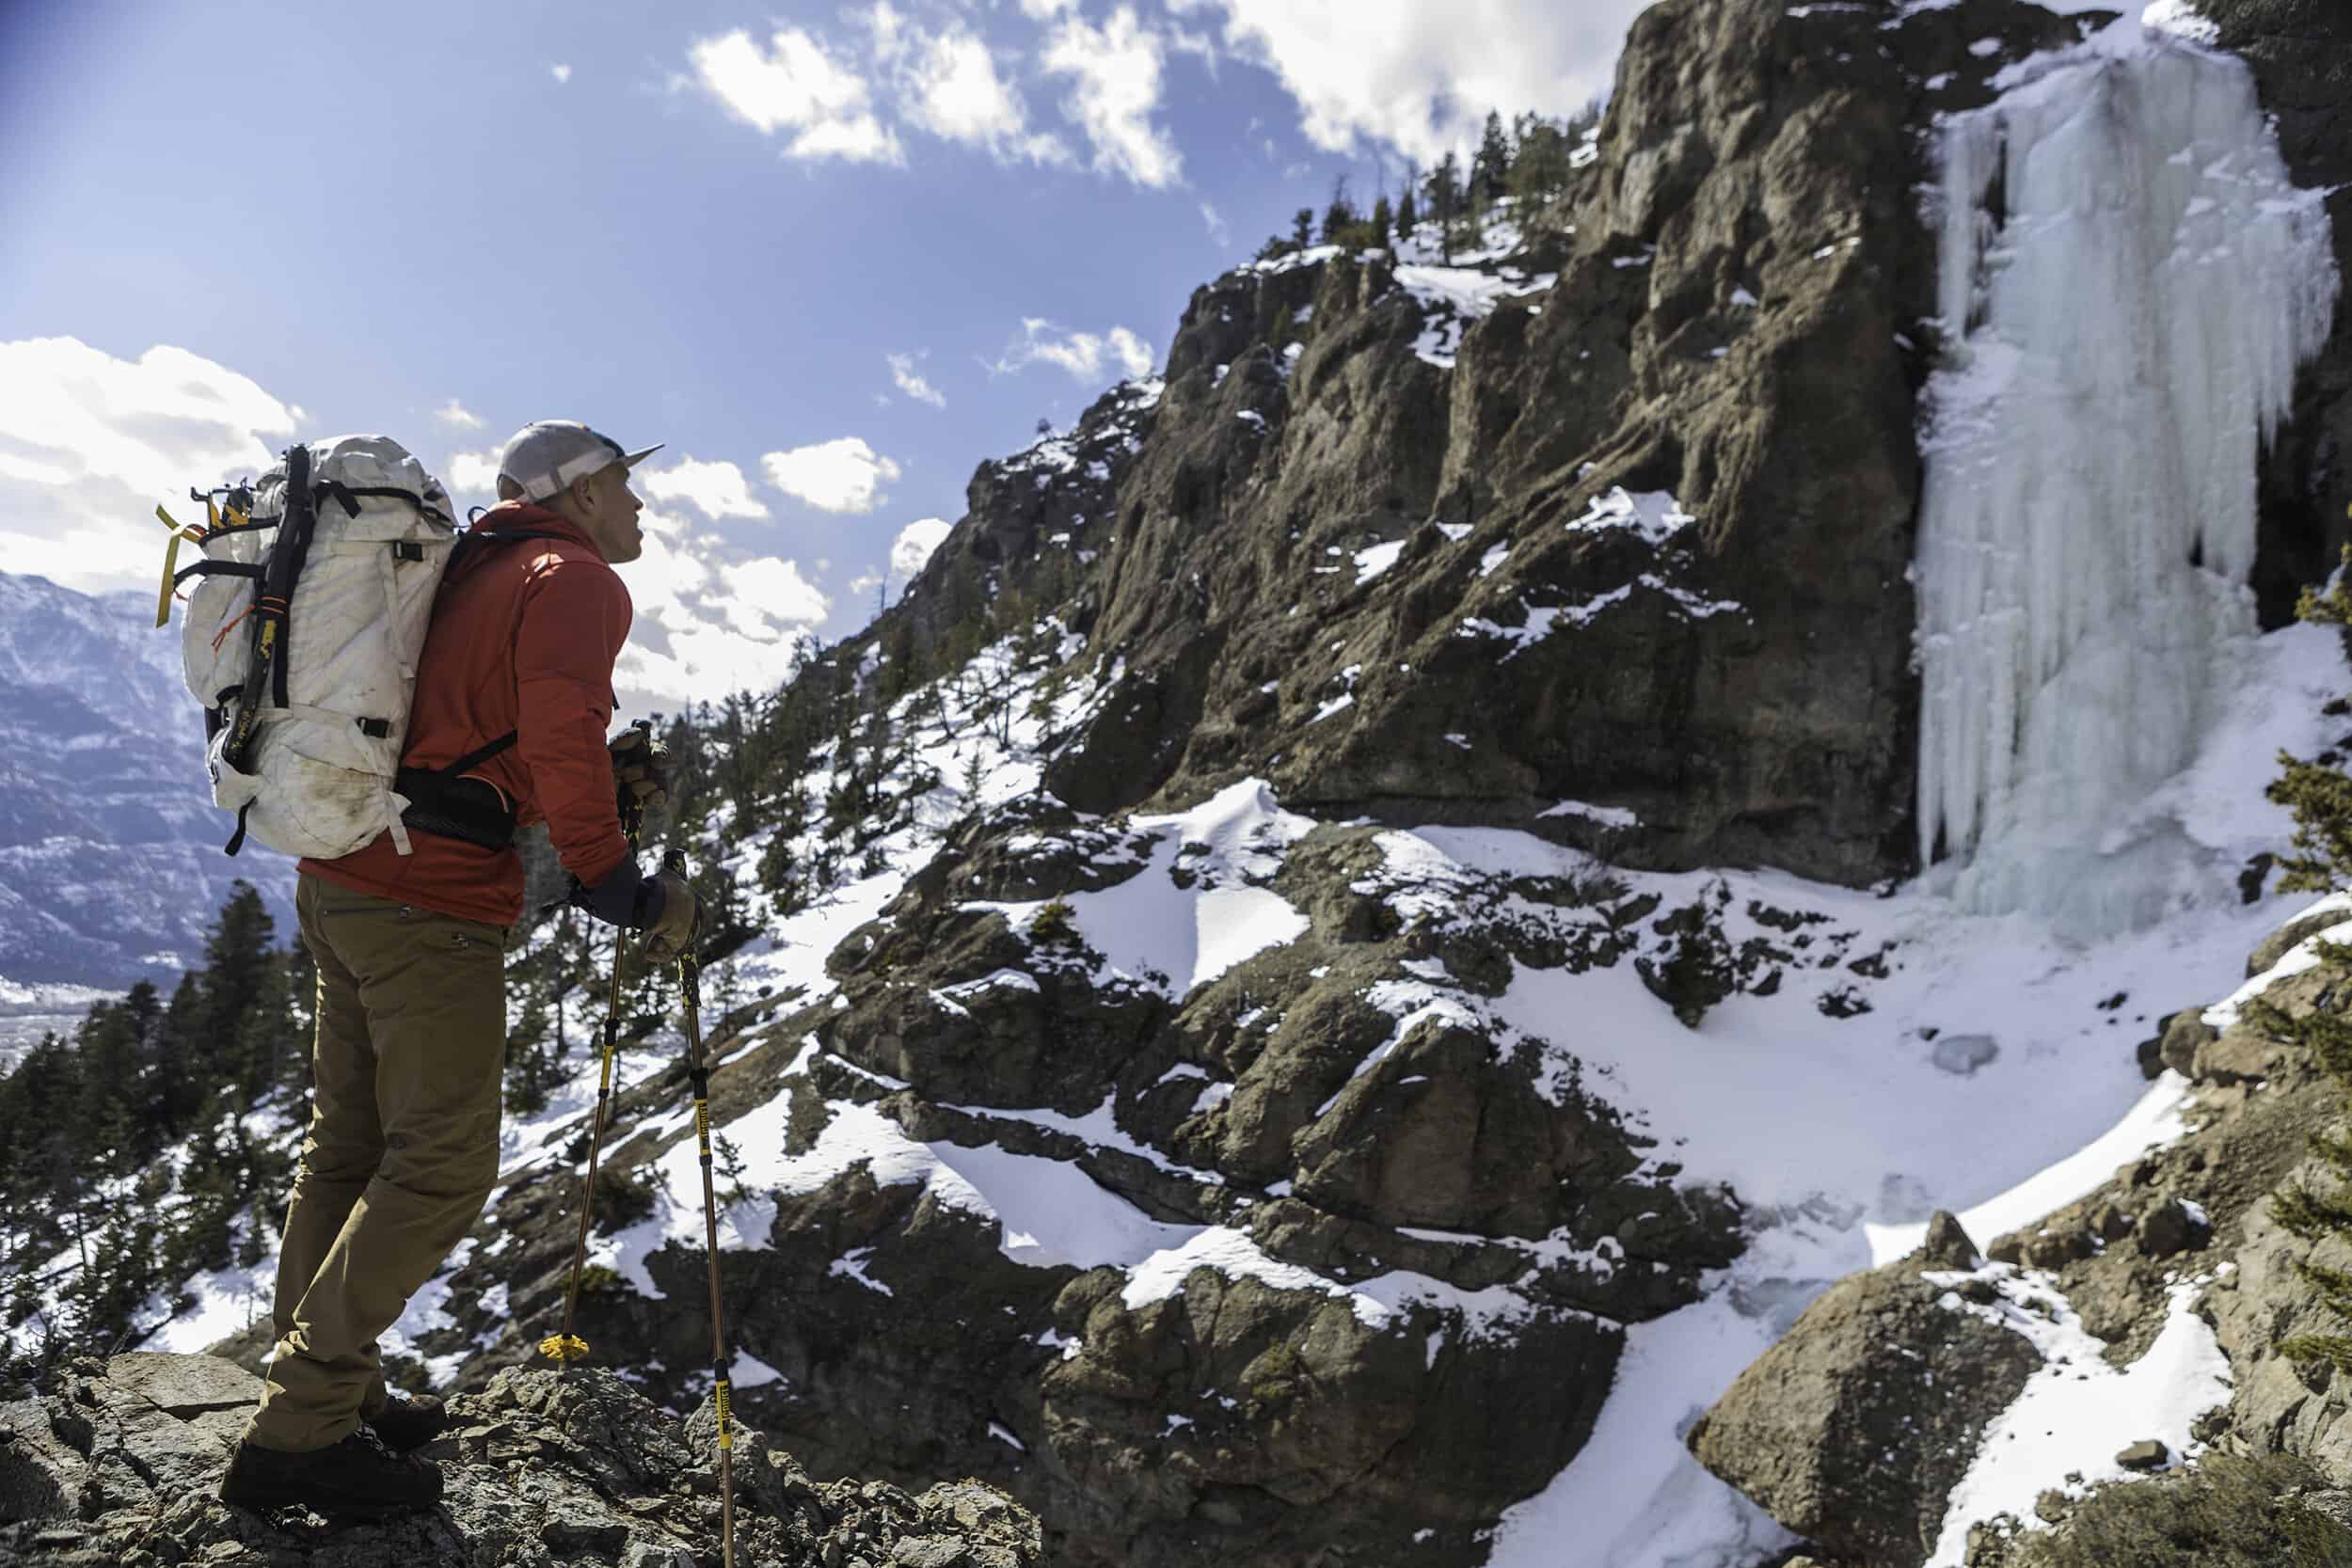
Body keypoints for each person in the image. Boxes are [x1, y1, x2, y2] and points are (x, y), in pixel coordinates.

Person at [219, 420, 700, 1518]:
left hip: (346, 871)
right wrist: (609, 873)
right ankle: (299, 1428)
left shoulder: (472, 568)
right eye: (626, 481)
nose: (639, 503)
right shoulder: (572, 579)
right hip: (428, 902)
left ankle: (334, 1391)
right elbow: (562, 724)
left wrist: (558, 790)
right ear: (576, 492)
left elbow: (469, 729)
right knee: (439, 1167)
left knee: (348, 1145)